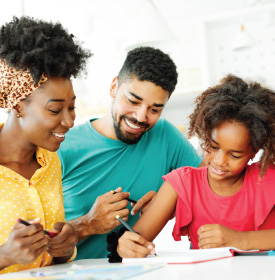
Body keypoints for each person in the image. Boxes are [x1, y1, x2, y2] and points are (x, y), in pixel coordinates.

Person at [57, 46, 203, 259]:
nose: (141, 117)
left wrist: (168, 202)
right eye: (133, 101)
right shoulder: (62, 147)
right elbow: (32, 237)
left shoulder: (166, 136)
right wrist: (88, 224)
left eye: (154, 109)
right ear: (114, 88)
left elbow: (208, 188)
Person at [115, 74, 275, 259]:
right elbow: (137, 239)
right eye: (213, 147)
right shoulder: (182, 183)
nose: (219, 160)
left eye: (235, 155)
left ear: (253, 152)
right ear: (205, 136)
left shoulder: (268, 178)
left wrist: (239, 239)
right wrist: (126, 246)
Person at [0, 16, 91, 274]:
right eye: (55, 110)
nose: (69, 121)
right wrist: (5, 255)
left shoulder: (50, 162)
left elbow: (51, 260)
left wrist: (65, 248)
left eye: (71, 107)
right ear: (18, 105)